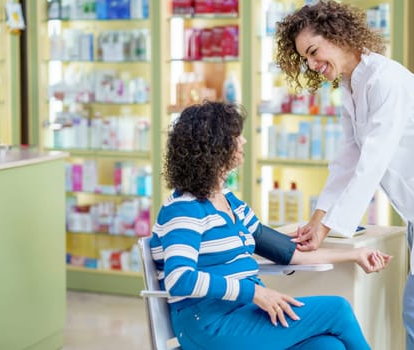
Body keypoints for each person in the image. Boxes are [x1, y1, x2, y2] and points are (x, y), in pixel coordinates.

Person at [274, 1, 414, 349]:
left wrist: (329, 226)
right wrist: (318, 219)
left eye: (314, 51)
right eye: (305, 59)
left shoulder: (385, 79)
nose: (312, 64)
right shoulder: (352, 87)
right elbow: (348, 160)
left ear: (338, 36)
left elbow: (372, 162)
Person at [151, 101, 391, 350]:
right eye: (236, 136)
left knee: (328, 347)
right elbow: (180, 279)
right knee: (338, 309)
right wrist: (254, 293)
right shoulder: (184, 208)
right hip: (208, 324)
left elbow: (288, 252)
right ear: (215, 147)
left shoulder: (232, 204)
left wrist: (356, 255)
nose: (243, 141)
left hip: (244, 313)